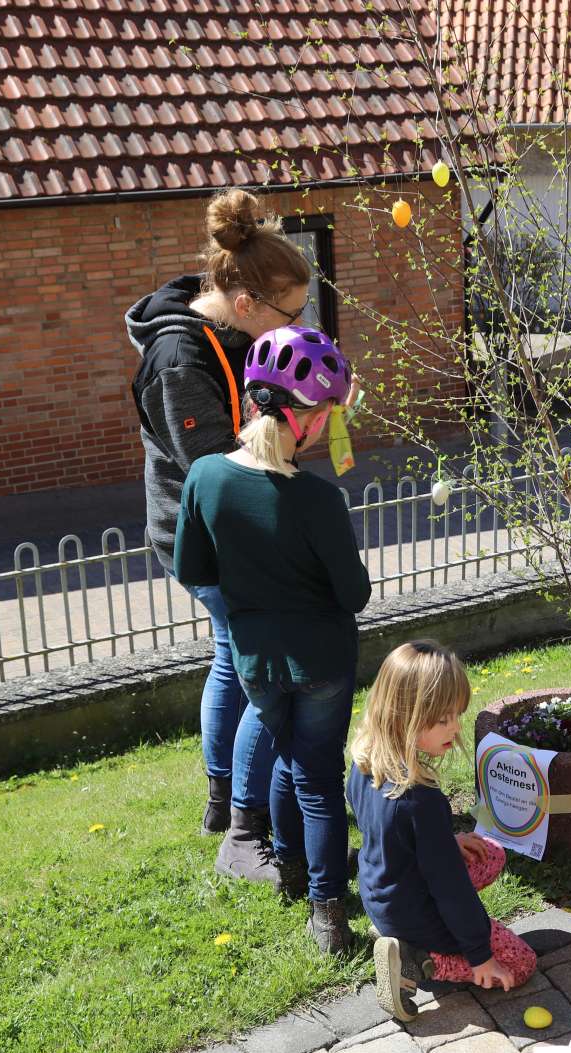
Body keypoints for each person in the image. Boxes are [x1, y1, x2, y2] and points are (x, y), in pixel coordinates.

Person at [127, 188, 314, 879]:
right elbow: (212, 467)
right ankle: (243, 821)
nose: (294, 327)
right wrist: (293, 426)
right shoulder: (180, 359)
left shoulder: (233, 332)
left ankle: (221, 796)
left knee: (232, 656)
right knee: (253, 659)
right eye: (289, 315)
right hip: (200, 533)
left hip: (229, 526)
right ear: (245, 304)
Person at [173, 324, 370, 953]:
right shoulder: (318, 499)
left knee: (286, 755)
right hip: (322, 661)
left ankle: (289, 868)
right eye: (326, 414)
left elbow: (192, 569)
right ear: (304, 418)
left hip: (256, 656)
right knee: (316, 776)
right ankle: (328, 911)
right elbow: (355, 595)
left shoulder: (205, 476)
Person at [348, 641, 538, 1021]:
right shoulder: (421, 801)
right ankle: (421, 962)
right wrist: (480, 955)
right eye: (442, 720)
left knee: (490, 853)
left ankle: (393, 933)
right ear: (404, 718)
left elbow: (390, 835)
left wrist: (446, 842)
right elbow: (449, 889)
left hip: (380, 893)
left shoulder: (364, 761)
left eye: (456, 715)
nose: (455, 727)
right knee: (521, 963)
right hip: (415, 912)